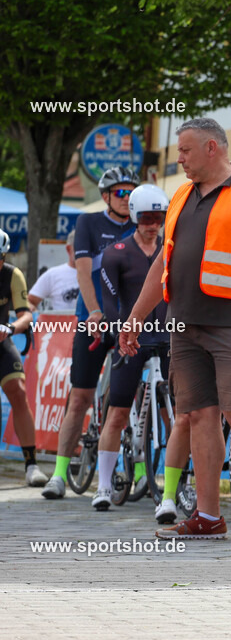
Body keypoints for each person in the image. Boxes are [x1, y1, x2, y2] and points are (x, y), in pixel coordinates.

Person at [119, 117, 231, 540]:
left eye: (186, 151)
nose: (180, 159)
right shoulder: (180, 195)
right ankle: (209, 517)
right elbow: (163, 262)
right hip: (185, 325)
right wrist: (136, 316)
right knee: (197, 415)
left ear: (212, 148)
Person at [90, 185, 188, 524]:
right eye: (146, 217)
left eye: (159, 218)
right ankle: (103, 485)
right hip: (131, 338)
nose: (152, 224)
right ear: (133, 215)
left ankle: (176, 486)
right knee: (117, 412)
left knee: (175, 415)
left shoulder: (170, 249)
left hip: (168, 337)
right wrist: (120, 334)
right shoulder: (116, 253)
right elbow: (110, 304)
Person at [43, 166, 138, 499]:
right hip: (93, 320)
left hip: (130, 322)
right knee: (80, 397)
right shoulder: (88, 223)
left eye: (131, 192)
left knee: (134, 398)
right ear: (106, 196)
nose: (127, 199)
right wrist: (95, 312)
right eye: (121, 193)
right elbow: (84, 273)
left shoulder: (144, 224)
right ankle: (57, 474)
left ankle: (138, 472)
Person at [0, 229, 48, 486]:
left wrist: (10, 328)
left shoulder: (11, 274)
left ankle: (31, 465)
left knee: (18, 391)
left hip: (1, 340)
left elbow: (26, 315)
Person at [28, 231, 80, 312]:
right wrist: (38, 316)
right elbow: (29, 301)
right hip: (62, 323)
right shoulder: (53, 274)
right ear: (69, 249)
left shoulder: (99, 273)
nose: (85, 252)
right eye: (81, 248)